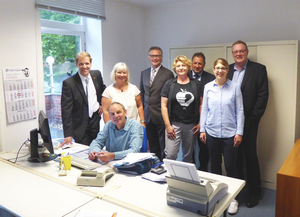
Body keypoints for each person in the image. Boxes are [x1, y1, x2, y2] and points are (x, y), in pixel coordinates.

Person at [200, 58, 244, 215]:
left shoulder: (234, 87)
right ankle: (217, 196)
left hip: (230, 134)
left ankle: (232, 198)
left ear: (227, 70)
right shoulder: (207, 87)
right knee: (215, 166)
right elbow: (204, 109)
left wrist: (239, 132)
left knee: (231, 166)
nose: (220, 70)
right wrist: (202, 130)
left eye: (223, 68)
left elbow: (240, 111)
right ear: (213, 70)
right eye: (217, 68)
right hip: (211, 132)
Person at [227, 40, 269, 209]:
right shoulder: (227, 69)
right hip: (230, 123)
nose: (238, 54)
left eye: (241, 51)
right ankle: (237, 194)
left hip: (249, 123)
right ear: (232, 53)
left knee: (250, 157)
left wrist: (252, 120)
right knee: (233, 159)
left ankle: (254, 193)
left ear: (247, 51)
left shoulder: (259, 69)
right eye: (235, 51)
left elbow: (262, 97)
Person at [161, 55, 201, 163]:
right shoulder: (169, 84)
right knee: (170, 155)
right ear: (175, 68)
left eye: (183, 65)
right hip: (174, 125)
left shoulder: (195, 84)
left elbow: (201, 104)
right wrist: (168, 125)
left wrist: (200, 122)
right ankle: (168, 178)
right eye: (178, 66)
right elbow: (163, 106)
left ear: (188, 67)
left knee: (188, 157)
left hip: (191, 126)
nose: (181, 68)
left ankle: (185, 179)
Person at [61, 52, 106, 146]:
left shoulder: (96, 75)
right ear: (76, 64)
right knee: (83, 152)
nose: (84, 66)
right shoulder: (69, 83)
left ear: (91, 64)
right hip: (79, 125)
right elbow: (66, 110)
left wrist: (101, 104)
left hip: (94, 120)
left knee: (96, 148)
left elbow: (103, 91)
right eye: (81, 64)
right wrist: (68, 134)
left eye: (87, 63)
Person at [140, 46, 174, 160]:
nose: (155, 58)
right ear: (149, 57)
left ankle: (164, 167)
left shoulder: (168, 74)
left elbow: (170, 97)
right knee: (153, 145)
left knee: (163, 146)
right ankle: (155, 165)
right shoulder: (143, 73)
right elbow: (142, 93)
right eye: (152, 56)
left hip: (161, 115)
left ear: (162, 57)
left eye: (157, 56)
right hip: (147, 115)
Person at [188, 52, 215, 171]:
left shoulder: (211, 78)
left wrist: (201, 123)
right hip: (188, 120)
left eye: (200, 63)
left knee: (204, 150)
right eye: (195, 63)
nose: (197, 66)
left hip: (205, 121)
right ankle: (192, 174)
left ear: (204, 65)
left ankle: (203, 171)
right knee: (189, 151)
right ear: (191, 64)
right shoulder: (184, 76)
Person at [102, 62, 145, 128]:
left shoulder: (134, 89)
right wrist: (110, 128)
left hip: (135, 127)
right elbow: (105, 111)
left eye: (124, 73)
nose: (122, 75)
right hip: (117, 129)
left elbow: (140, 107)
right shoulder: (108, 91)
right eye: (119, 72)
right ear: (114, 74)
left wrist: (142, 123)